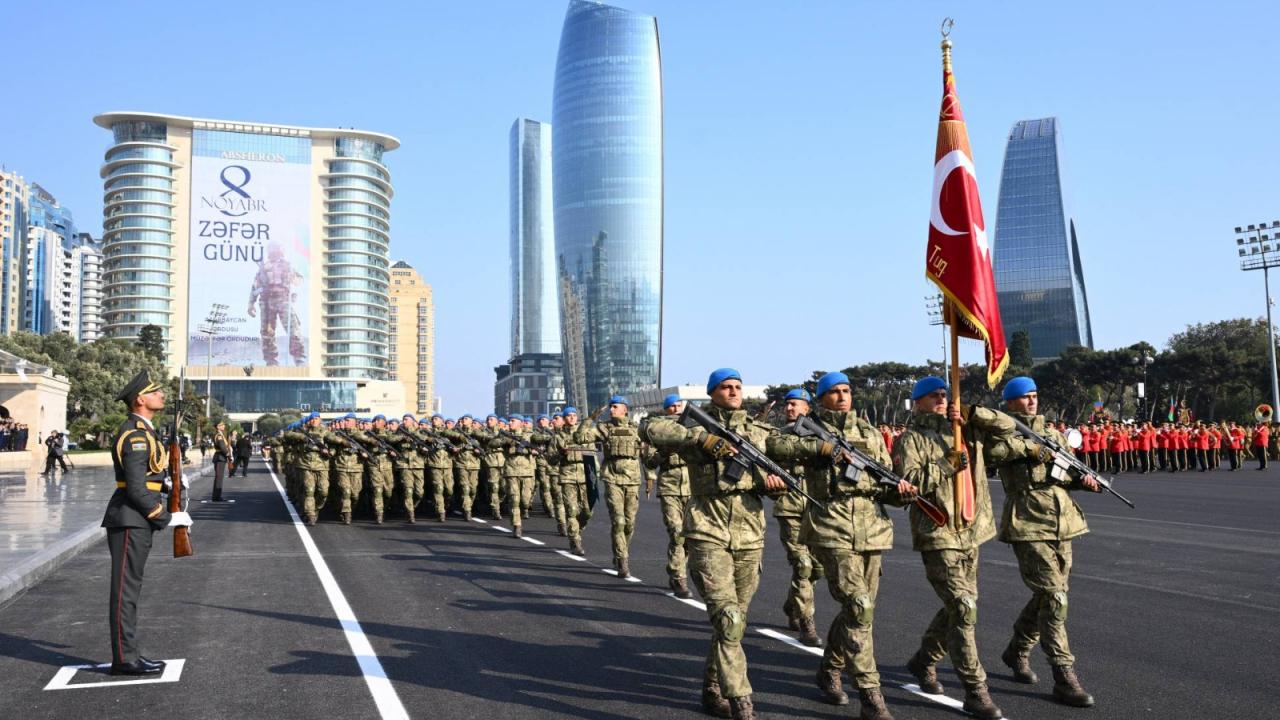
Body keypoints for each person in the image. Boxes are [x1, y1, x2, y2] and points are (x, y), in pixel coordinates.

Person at [646, 368, 786, 720]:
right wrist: (701, 440)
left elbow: (790, 447)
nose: (734, 391)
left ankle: (711, 687)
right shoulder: (696, 425)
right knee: (728, 618)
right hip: (707, 529)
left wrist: (773, 483)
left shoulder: (758, 431)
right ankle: (742, 701)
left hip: (750, 533)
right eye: (726, 387)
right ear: (712, 393)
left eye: (738, 386)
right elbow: (649, 427)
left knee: (733, 622)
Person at [770, 373, 911, 720]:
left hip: (873, 528)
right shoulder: (807, 427)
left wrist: (901, 491)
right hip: (831, 524)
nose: (843, 396)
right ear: (821, 398)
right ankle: (870, 694)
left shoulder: (869, 432)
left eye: (847, 390)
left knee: (859, 612)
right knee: (859, 606)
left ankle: (829, 669)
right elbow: (776, 446)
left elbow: (882, 484)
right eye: (834, 392)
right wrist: (823, 448)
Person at [894, 376, 1007, 720]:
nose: (942, 400)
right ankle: (976, 689)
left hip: (972, 530)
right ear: (917, 403)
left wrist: (971, 413)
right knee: (963, 607)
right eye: (933, 396)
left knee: (959, 608)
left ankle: (924, 660)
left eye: (945, 394)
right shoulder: (910, 440)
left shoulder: (965, 430)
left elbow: (1006, 428)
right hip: (939, 531)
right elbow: (909, 485)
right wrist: (947, 464)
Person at [986, 376, 1098, 708]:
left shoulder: (1052, 434)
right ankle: (1064, 676)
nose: (1032, 401)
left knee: (1051, 595)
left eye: (1035, 395)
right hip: (1028, 522)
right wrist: (1031, 448)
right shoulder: (1005, 433)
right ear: (1010, 404)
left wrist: (1085, 481)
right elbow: (993, 454)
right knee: (1054, 597)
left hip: (1062, 522)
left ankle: (1017, 650)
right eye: (1025, 397)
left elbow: (1063, 476)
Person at [101, 370, 193, 675]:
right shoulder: (136, 435)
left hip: (136, 518)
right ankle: (125, 659)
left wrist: (166, 486)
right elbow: (136, 487)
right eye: (155, 392)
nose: (161, 395)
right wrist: (166, 517)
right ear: (140, 399)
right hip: (131, 519)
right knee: (125, 591)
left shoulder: (145, 431)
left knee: (131, 589)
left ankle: (129, 654)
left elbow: (147, 479)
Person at [765, 388, 823, 648]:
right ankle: (806, 621)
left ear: (807, 409)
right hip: (789, 504)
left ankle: (792, 604)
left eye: (795, 405)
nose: (790, 409)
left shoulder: (821, 435)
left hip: (816, 505)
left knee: (818, 567)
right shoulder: (776, 436)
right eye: (787, 405)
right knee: (803, 565)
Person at [641, 394, 692, 598]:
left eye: (679, 405)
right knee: (677, 533)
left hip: (692, 487)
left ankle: (676, 569)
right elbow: (650, 462)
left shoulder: (691, 428)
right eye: (672, 406)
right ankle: (679, 577)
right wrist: (665, 452)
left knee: (690, 537)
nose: (676, 409)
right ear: (665, 410)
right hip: (669, 486)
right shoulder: (658, 432)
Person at [595, 395, 644, 578]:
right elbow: (580, 436)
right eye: (610, 407)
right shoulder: (604, 428)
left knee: (630, 524)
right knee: (619, 521)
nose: (612, 410)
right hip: (612, 478)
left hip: (632, 479)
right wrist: (592, 418)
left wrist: (651, 476)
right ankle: (622, 560)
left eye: (615, 406)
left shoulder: (636, 429)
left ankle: (620, 549)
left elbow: (646, 453)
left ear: (625, 409)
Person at [550, 406, 598, 556]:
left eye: (574, 415)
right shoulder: (558, 437)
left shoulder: (585, 435)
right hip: (567, 476)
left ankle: (577, 529)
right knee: (571, 510)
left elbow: (593, 455)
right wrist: (560, 454)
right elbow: (551, 459)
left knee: (588, 512)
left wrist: (596, 475)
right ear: (564, 419)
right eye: (568, 416)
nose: (572, 418)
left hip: (586, 476)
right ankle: (575, 540)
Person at [247, 242, 304, 366]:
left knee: (293, 330)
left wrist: (292, 279)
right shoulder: (263, 268)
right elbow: (255, 287)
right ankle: (271, 361)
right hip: (267, 303)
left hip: (283, 300)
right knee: (267, 333)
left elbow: (299, 280)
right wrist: (251, 304)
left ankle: (299, 359)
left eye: (275, 249)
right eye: (271, 250)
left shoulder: (288, 266)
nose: (273, 252)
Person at [211, 423, 231, 502]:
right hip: (220, 457)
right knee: (219, 478)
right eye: (222, 425)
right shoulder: (219, 435)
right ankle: (216, 497)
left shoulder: (221, 435)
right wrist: (228, 454)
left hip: (220, 457)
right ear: (218, 427)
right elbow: (222, 447)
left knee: (219, 478)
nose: (224, 426)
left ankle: (216, 496)